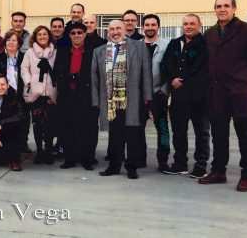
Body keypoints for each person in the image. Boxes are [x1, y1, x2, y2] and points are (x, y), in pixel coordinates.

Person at [200, 0, 247, 192]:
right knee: (218, 135)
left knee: (245, 135)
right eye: (218, 6)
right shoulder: (210, 34)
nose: (222, 9)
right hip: (217, 93)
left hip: (240, 92)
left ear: (234, 8)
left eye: (226, 6)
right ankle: (218, 171)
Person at [91, 20, 152, 179]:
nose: (115, 32)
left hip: (133, 99)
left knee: (133, 135)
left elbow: (146, 73)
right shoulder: (99, 51)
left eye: (118, 28)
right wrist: (96, 101)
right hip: (110, 101)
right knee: (115, 135)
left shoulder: (139, 47)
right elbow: (94, 78)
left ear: (125, 30)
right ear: (108, 32)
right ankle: (114, 166)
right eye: (111, 29)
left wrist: (148, 98)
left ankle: (132, 167)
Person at [162, 14, 211, 178]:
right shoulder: (175, 43)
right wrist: (172, 79)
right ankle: (180, 164)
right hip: (179, 97)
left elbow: (202, 68)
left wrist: (182, 80)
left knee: (201, 133)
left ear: (199, 25)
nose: (188, 26)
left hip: (199, 97)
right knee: (178, 132)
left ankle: (201, 166)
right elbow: (166, 64)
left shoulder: (206, 44)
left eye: (192, 24)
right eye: (185, 24)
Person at [55, 22, 98, 170]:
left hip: (86, 96)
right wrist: (68, 79)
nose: (77, 35)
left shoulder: (92, 52)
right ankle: (70, 158)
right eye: (73, 33)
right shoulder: (63, 52)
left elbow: (96, 73)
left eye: (80, 32)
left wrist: (80, 79)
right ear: (69, 36)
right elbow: (57, 72)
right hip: (67, 96)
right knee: (68, 128)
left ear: (85, 34)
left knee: (88, 129)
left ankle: (88, 159)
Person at [20, 26, 58, 165]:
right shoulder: (30, 52)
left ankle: (48, 150)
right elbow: (24, 69)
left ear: (49, 36)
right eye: (39, 35)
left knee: (50, 124)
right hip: (35, 93)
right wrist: (29, 82)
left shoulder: (54, 52)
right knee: (37, 124)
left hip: (50, 93)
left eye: (45, 34)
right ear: (35, 37)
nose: (42, 37)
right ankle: (40, 151)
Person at [141, 14, 171, 172]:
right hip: (139, 95)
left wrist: (164, 92)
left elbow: (171, 69)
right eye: (147, 25)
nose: (150, 27)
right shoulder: (136, 46)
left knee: (162, 129)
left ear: (158, 27)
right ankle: (139, 158)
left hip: (159, 93)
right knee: (137, 129)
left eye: (153, 25)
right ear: (143, 27)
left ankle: (163, 161)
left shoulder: (167, 46)